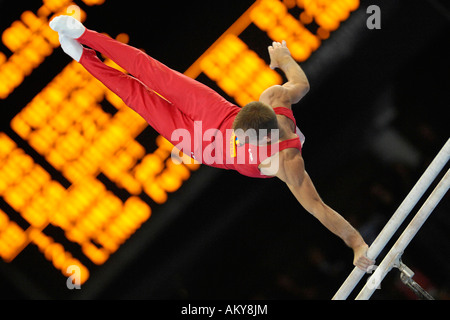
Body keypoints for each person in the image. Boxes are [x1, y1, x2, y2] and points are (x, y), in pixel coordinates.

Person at [50, 15, 375, 271]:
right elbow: (300, 83)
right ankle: (83, 35)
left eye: (242, 139)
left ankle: (83, 57)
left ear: (262, 140)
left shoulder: (287, 163)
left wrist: (357, 242)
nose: (238, 137)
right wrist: (285, 60)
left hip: (203, 145)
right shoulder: (273, 99)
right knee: (151, 70)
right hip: (215, 110)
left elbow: (319, 208)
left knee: (138, 96)